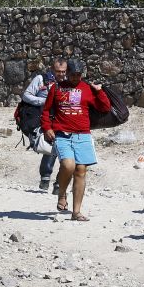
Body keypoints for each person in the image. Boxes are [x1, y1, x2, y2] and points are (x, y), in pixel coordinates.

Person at [42, 59, 110, 222]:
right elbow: (45, 110)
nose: (76, 78)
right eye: (73, 75)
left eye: (79, 75)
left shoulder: (87, 88)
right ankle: (62, 193)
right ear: (67, 73)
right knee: (68, 164)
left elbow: (105, 108)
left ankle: (76, 212)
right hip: (62, 134)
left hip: (83, 135)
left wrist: (99, 91)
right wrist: (47, 128)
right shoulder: (57, 88)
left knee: (80, 171)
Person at [20, 58, 68, 194]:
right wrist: (45, 101)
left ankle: (59, 183)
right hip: (45, 119)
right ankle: (46, 179)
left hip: (64, 120)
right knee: (50, 148)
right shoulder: (41, 79)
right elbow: (26, 96)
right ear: (52, 69)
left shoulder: (69, 82)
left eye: (64, 72)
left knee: (65, 151)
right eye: (58, 71)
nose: (61, 74)